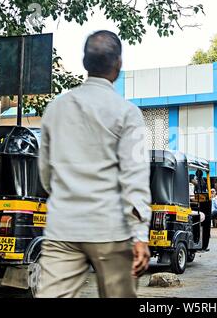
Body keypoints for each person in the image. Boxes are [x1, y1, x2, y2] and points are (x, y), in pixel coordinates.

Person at [36, 30, 151, 298]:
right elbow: (134, 177)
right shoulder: (127, 113)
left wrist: (66, 197)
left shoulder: (56, 108)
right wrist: (140, 234)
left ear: (84, 63)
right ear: (118, 64)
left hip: (62, 227)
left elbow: (45, 172)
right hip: (111, 230)